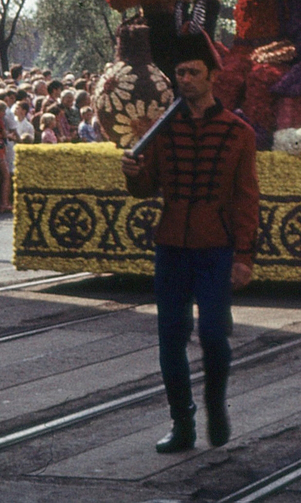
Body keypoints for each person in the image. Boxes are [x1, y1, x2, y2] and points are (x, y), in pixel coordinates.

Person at [121, 30, 259, 454]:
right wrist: (132, 172)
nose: (185, 79)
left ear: (212, 75)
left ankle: (216, 404)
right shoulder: (163, 130)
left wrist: (244, 256)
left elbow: (246, 197)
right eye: (180, 72)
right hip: (172, 247)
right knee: (170, 338)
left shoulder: (238, 132)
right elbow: (145, 188)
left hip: (216, 247)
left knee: (215, 336)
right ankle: (182, 422)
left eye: (193, 72)